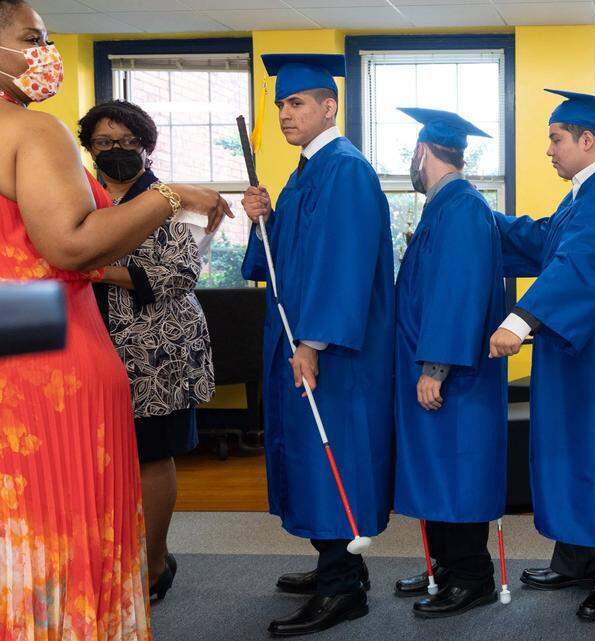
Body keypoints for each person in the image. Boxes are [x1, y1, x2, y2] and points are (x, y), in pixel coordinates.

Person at [0, 2, 231, 638]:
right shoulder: (30, 131)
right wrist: (172, 195)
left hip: (45, 331)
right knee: (56, 518)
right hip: (46, 354)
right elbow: (69, 248)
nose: (45, 51)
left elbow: (177, 273)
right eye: (32, 39)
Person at [487, 89, 595, 622]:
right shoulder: (587, 192)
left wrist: (519, 319)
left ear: (588, 140)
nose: (549, 150)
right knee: (568, 457)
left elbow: (578, 266)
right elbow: (544, 241)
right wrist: (475, 217)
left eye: (556, 140)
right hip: (573, 354)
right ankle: (574, 559)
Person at [240, 53, 396, 637]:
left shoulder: (346, 169)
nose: (285, 113)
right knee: (306, 459)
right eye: (281, 104)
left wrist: (313, 342)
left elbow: (345, 266)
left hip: (331, 352)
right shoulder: (308, 169)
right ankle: (334, 560)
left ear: (328, 107)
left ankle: (344, 586)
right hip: (302, 340)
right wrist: (265, 218)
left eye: (297, 102)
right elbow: (286, 266)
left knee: (331, 459)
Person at [79, 99, 216, 602]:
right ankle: (112, 556)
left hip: (158, 353)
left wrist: (94, 269)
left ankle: (155, 561)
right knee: (98, 458)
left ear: (147, 147)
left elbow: (180, 273)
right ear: (88, 150)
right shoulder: (80, 197)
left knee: (151, 456)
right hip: (87, 346)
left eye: (126, 142)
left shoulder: (171, 200)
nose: (115, 151)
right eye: (103, 143)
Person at [389, 107, 507, 618]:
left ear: (421, 154)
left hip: (452, 376)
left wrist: (435, 366)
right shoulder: (445, 206)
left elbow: (457, 293)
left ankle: (472, 576)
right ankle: (444, 566)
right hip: (434, 368)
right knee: (436, 471)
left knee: (456, 472)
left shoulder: (460, 207)